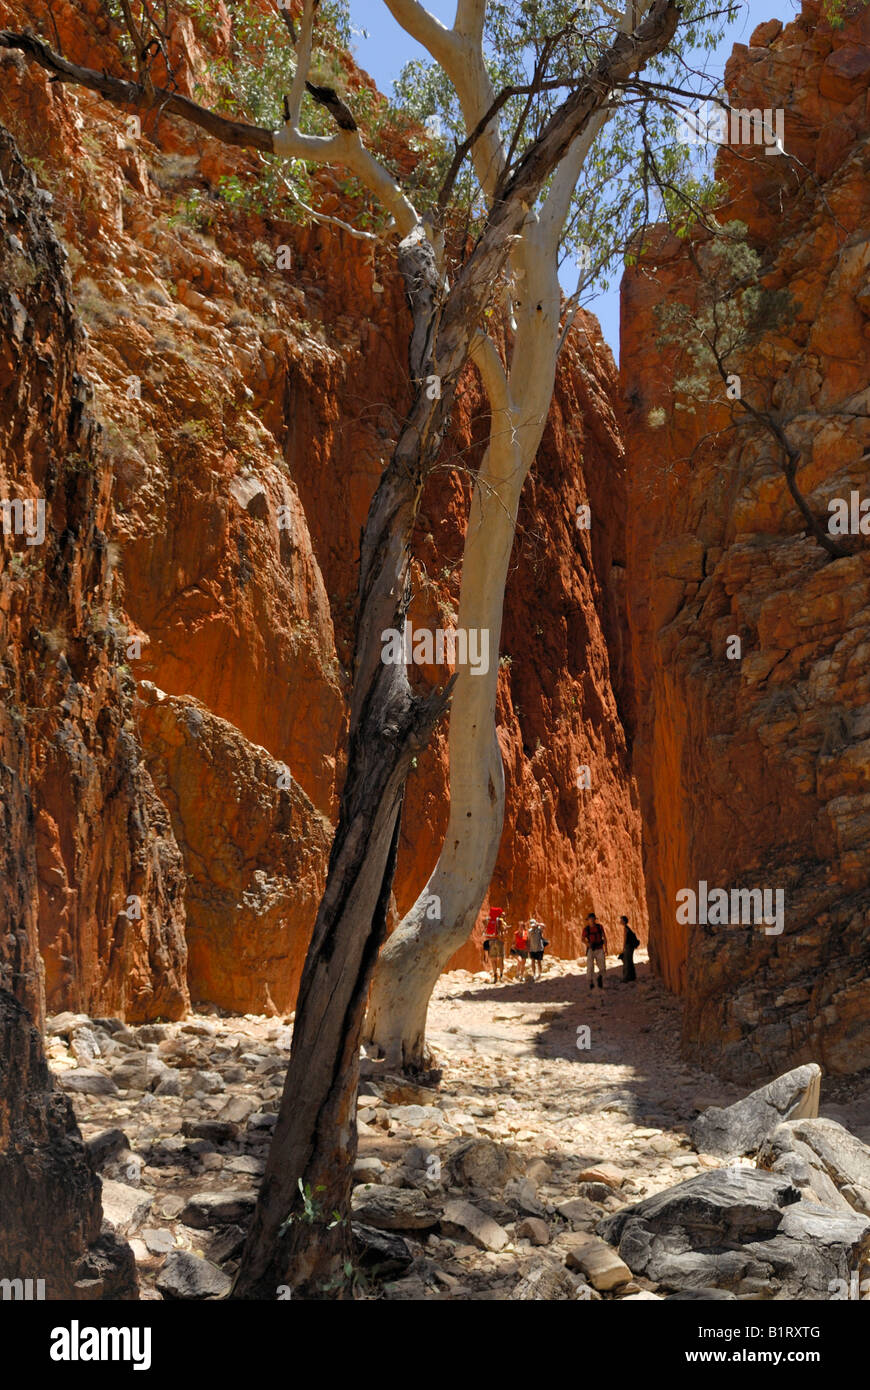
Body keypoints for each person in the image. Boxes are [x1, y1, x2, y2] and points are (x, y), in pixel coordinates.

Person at [582, 911, 606, 990]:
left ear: (594, 919)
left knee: (602, 966)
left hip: (599, 949)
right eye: (590, 919)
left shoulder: (599, 927)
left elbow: (604, 937)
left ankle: (600, 977)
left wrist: (606, 948)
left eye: (592, 919)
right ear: (588, 920)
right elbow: (582, 939)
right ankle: (591, 982)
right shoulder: (586, 929)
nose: (591, 920)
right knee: (590, 966)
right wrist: (588, 944)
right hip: (591, 949)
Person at [483, 907, 506, 982]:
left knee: (493, 960)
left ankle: (495, 976)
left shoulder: (488, 920)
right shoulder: (500, 921)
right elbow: (503, 932)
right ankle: (501, 976)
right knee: (501, 959)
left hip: (491, 941)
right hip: (498, 941)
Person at [619, 915, 639, 983]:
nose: (620, 921)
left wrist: (623, 948)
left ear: (624, 921)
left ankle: (627, 978)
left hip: (628, 947)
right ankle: (632, 977)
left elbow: (625, 939)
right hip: (631, 947)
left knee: (627, 961)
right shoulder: (628, 928)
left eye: (621, 920)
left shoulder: (625, 929)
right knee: (630, 961)